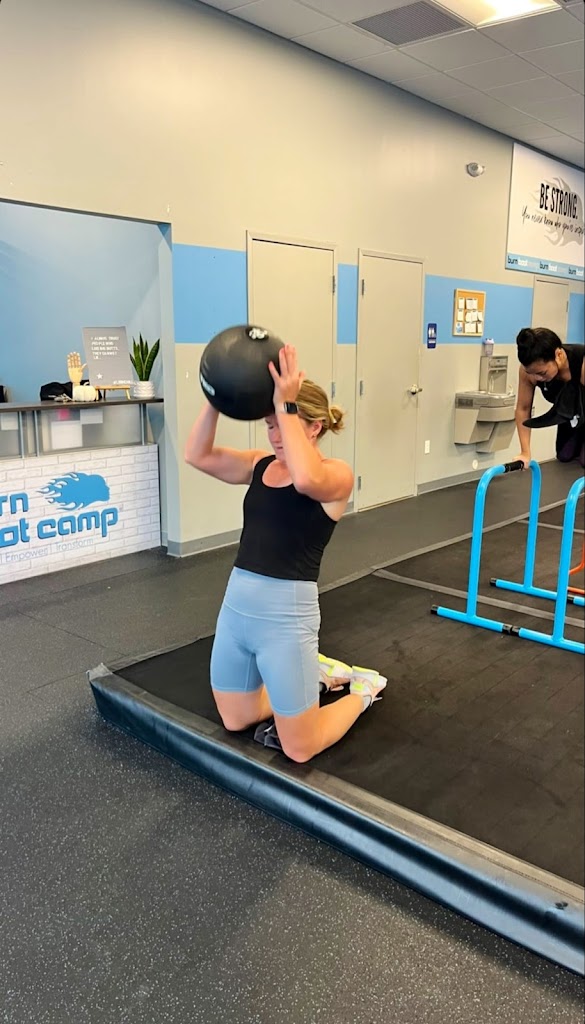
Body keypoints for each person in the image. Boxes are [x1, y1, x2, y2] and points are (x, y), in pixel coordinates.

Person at [184, 343, 387, 763]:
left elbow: (306, 479)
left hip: (286, 619)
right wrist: (217, 398)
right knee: (235, 718)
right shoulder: (260, 464)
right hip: (236, 610)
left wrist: (286, 404)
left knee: (299, 748)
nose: (275, 435)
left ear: (313, 427)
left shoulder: (335, 475)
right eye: (269, 426)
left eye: (282, 424)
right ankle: (318, 679)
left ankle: (363, 691)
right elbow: (196, 455)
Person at [514, 327, 584, 469]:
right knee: (565, 456)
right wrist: (525, 452)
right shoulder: (528, 372)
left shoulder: (582, 364)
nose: (536, 378)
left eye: (542, 373)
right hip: (570, 415)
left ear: (559, 355)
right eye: (531, 373)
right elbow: (523, 409)